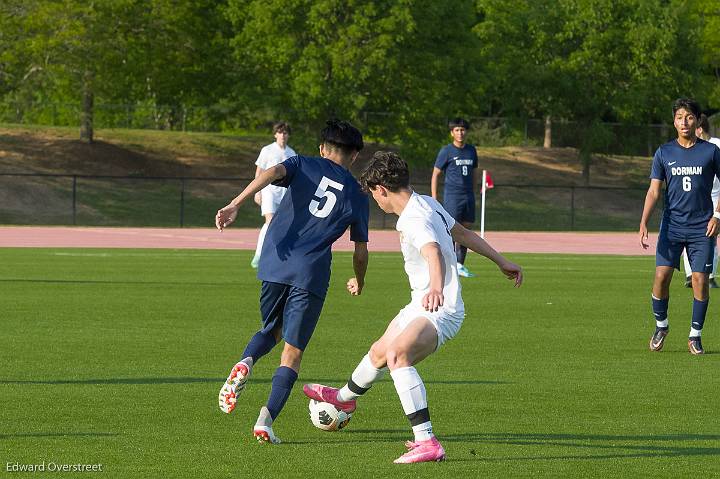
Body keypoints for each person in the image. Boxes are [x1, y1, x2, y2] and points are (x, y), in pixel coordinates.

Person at [303, 151, 523, 463]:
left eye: (374, 195)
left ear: (381, 189)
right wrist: (501, 260)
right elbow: (461, 232)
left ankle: (427, 441)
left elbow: (432, 250)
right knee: (379, 351)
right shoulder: (426, 203)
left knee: (397, 355)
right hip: (421, 301)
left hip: (439, 309)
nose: (376, 202)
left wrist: (436, 286)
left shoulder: (413, 218)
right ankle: (343, 400)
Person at [215, 119, 370, 443]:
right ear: (354, 155)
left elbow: (271, 174)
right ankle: (265, 420)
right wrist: (358, 280)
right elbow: (360, 250)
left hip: (275, 261)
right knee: (292, 352)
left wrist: (235, 203)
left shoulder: (302, 163)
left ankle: (247, 360)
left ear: (322, 148)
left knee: (270, 329)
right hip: (311, 272)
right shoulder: (357, 194)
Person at [639, 98, 720, 355]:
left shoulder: (711, 151)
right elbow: (654, 191)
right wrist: (643, 221)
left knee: (700, 280)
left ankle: (695, 335)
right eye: (679, 117)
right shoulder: (664, 152)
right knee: (661, 277)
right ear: (673, 121)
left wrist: (717, 215)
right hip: (672, 226)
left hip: (702, 227)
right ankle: (661, 326)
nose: (683, 122)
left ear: (697, 121)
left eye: (688, 117)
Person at [431, 117, 479, 278]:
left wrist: (474, 191)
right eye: (457, 130)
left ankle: (460, 265)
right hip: (453, 196)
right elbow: (436, 174)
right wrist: (434, 196)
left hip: (468, 197)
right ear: (452, 133)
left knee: (466, 230)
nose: (460, 133)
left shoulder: (471, 150)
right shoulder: (446, 151)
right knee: (451, 230)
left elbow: (474, 172)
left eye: (463, 130)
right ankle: (448, 265)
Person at [251, 122, 297, 268]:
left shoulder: (292, 153)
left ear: (288, 135)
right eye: (280, 132)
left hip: (284, 193)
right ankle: (260, 255)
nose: (283, 135)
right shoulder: (267, 150)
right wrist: (257, 191)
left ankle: (271, 254)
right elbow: (259, 172)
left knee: (281, 224)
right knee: (270, 222)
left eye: (285, 132)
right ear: (275, 134)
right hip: (269, 191)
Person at [682, 114, 720, 288]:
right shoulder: (691, 146)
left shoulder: (716, 145)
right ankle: (692, 275)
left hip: (716, 197)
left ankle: (709, 275)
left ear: (699, 128)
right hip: (698, 197)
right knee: (689, 234)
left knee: (712, 236)